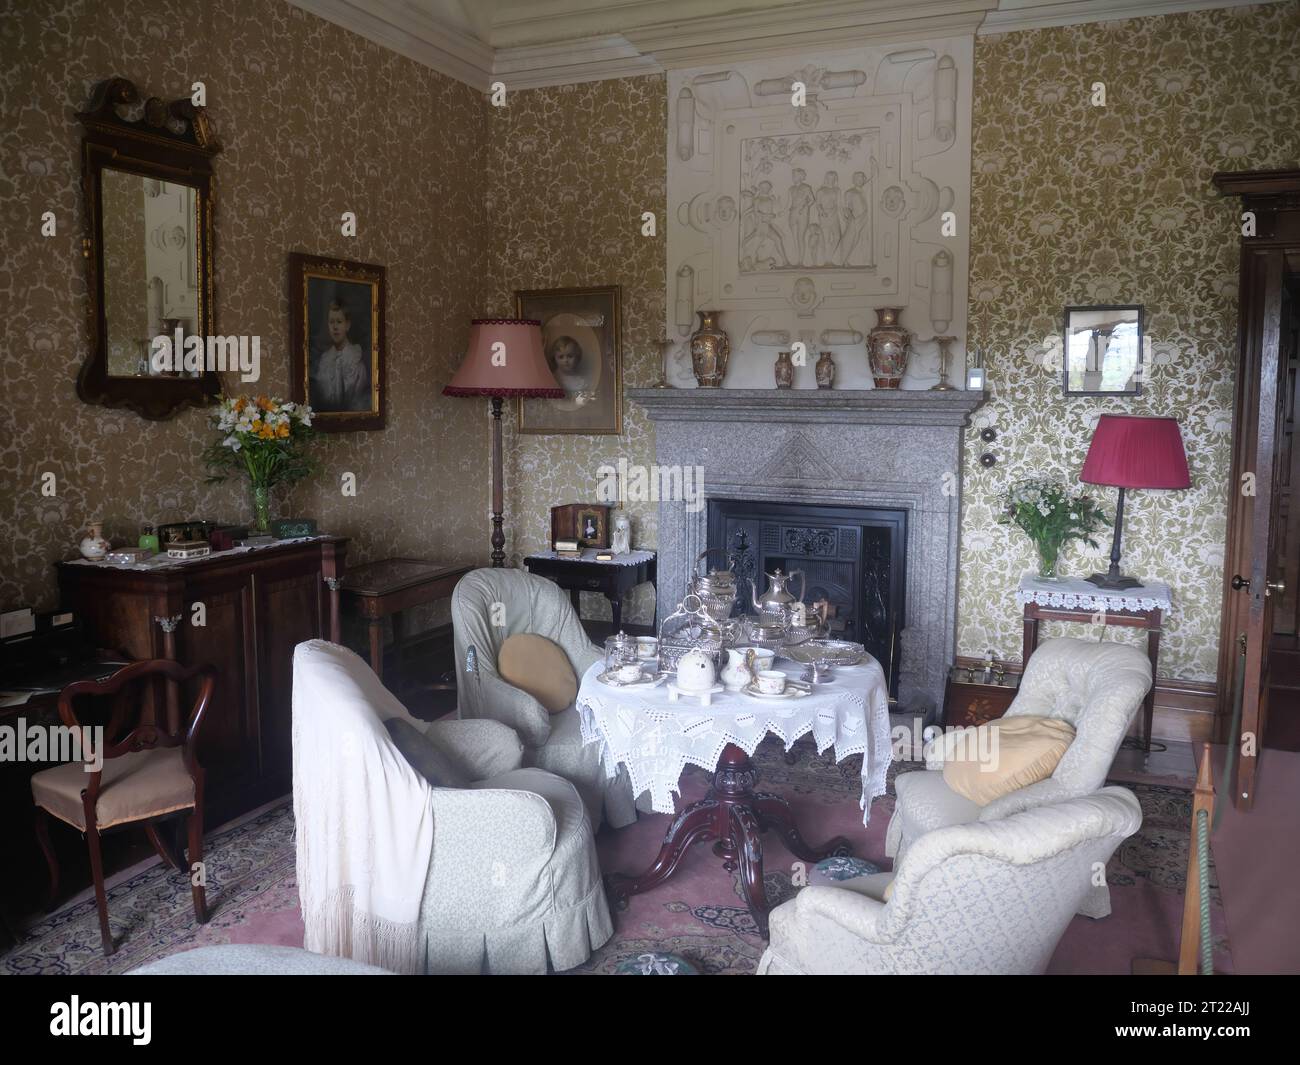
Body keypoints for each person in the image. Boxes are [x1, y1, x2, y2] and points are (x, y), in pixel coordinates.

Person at [310, 297, 370, 411]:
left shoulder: (356, 362)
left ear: (347, 325)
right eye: (331, 322)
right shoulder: (324, 361)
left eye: (339, 322)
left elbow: (358, 401)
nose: (335, 327)